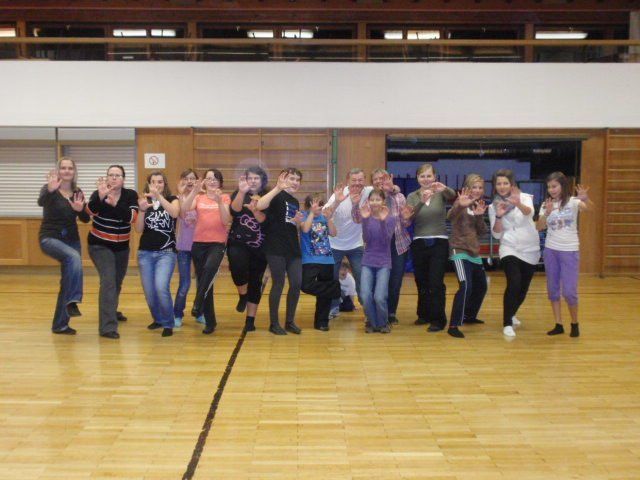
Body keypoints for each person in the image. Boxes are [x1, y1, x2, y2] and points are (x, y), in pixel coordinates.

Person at [38, 157, 90, 335]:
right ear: (58, 171)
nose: (67, 171)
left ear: (74, 172)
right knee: (74, 257)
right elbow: (41, 202)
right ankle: (74, 301)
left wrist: (80, 210)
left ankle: (60, 325)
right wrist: (50, 190)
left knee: (68, 280)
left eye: (70, 168)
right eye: (63, 168)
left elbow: (85, 219)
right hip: (50, 238)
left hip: (71, 240)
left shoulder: (77, 192)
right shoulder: (49, 189)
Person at [537, 172, 592, 338]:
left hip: (569, 250)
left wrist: (585, 199)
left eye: (554, 186)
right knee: (553, 290)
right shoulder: (546, 204)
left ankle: (574, 323)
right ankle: (558, 324)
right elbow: (539, 227)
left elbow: (589, 209)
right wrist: (546, 213)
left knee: (569, 291)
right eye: (549, 187)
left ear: (563, 185)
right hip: (551, 250)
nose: (551, 190)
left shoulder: (573, 202)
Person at [87, 165, 139, 339]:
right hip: (99, 245)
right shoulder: (98, 193)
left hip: (121, 247)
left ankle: (111, 310)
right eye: (111, 175)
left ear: (123, 179)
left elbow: (132, 218)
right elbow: (88, 212)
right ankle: (107, 327)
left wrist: (115, 204)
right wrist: (100, 198)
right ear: (107, 177)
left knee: (116, 281)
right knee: (108, 281)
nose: (114, 178)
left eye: (118, 175)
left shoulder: (130, 195)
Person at [488, 169, 540, 338]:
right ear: (495, 186)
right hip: (509, 247)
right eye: (498, 183)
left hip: (530, 247)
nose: (502, 186)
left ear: (511, 184)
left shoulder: (524, 197)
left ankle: (512, 313)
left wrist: (518, 204)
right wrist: (499, 217)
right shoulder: (493, 206)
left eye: (505, 183)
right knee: (514, 282)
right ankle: (507, 323)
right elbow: (496, 235)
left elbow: (530, 213)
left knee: (523, 288)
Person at [405, 164, 456, 332]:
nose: (425, 179)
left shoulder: (440, 192)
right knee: (421, 280)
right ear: (417, 178)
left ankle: (438, 319)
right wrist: (421, 201)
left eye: (429, 176)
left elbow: (453, 196)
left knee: (436, 281)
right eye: (422, 176)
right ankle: (424, 314)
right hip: (419, 241)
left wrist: (444, 188)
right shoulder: (412, 196)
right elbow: (409, 217)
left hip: (439, 241)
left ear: (434, 177)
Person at [181, 168, 230, 335]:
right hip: (198, 244)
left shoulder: (224, 197)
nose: (212, 181)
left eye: (215, 178)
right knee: (206, 282)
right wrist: (195, 190)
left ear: (220, 182)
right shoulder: (198, 197)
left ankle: (197, 301)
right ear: (204, 181)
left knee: (209, 270)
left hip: (217, 244)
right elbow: (184, 209)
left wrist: (219, 202)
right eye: (209, 178)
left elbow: (226, 220)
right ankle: (210, 321)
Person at [256, 168, 304, 335]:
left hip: (292, 247)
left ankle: (290, 321)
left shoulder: (294, 201)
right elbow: (260, 205)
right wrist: (277, 188)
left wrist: (296, 222)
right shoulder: (275, 194)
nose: (295, 182)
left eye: (298, 180)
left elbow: (287, 223)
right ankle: (274, 323)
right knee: (279, 283)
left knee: (296, 283)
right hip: (275, 247)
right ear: (283, 179)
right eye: (292, 178)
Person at [135, 171, 180, 337]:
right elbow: (138, 229)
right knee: (150, 292)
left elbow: (175, 213)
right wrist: (141, 211)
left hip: (166, 253)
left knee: (161, 287)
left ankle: (168, 323)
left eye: (160, 182)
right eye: (153, 182)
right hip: (145, 253)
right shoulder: (144, 201)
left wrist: (159, 197)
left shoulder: (172, 199)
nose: (156, 184)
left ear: (164, 184)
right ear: (148, 184)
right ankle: (158, 319)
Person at [324, 169, 373, 316]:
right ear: (348, 181)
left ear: (364, 180)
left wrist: (394, 188)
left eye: (360, 180)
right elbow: (326, 213)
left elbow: (385, 191)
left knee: (362, 277)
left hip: (356, 245)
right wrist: (337, 201)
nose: (357, 183)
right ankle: (333, 308)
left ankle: (368, 310)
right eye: (354, 180)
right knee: (332, 278)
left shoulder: (368, 192)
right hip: (335, 244)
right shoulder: (339, 194)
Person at [227, 166, 269, 332]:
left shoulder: (267, 196)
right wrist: (241, 192)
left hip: (260, 246)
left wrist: (255, 210)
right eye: (250, 178)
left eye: (256, 178)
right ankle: (243, 295)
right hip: (237, 242)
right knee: (237, 269)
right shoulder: (239, 193)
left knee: (255, 282)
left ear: (262, 180)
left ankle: (250, 320)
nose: (253, 181)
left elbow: (264, 220)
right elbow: (234, 211)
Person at [447, 174, 488, 339]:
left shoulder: (478, 205)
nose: (477, 190)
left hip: (474, 252)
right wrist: (459, 205)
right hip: (459, 250)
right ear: (468, 188)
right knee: (465, 286)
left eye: (480, 187)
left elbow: (482, 231)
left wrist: (479, 215)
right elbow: (450, 216)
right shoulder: (461, 201)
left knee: (481, 286)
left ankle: (469, 315)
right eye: (474, 187)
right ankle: (454, 325)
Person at [352, 189, 398, 334]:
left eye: (378, 199)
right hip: (368, 261)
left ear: (383, 201)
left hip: (384, 262)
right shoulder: (366, 216)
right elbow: (366, 239)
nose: (374, 202)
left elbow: (386, 240)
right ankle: (372, 323)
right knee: (365, 295)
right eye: (372, 200)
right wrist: (365, 219)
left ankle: (383, 322)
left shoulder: (390, 218)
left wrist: (383, 221)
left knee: (379, 297)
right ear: (368, 201)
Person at [370, 169, 412, 325]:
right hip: (377, 246)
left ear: (389, 179)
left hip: (397, 243)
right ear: (372, 182)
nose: (380, 181)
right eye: (376, 178)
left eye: (383, 178)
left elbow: (405, 223)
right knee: (376, 280)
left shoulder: (399, 197)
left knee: (395, 280)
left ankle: (391, 312)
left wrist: (407, 218)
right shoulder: (370, 198)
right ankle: (375, 313)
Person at [300, 193, 341, 331]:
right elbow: (305, 229)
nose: (318, 207)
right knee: (305, 285)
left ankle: (322, 322)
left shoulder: (324, 217)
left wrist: (329, 219)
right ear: (308, 205)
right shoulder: (303, 215)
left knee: (324, 294)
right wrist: (311, 213)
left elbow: (334, 233)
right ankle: (334, 288)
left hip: (327, 260)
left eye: (320, 204)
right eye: (315, 203)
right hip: (310, 259)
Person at [173, 169, 202, 327]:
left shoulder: (202, 197)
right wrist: (180, 194)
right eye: (186, 178)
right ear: (181, 180)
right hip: (183, 246)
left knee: (201, 282)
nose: (189, 181)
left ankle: (199, 312)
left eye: (192, 178)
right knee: (184, 283)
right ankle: (177, 314)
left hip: (200, 245)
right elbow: (183, 214)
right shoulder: (177, 198)